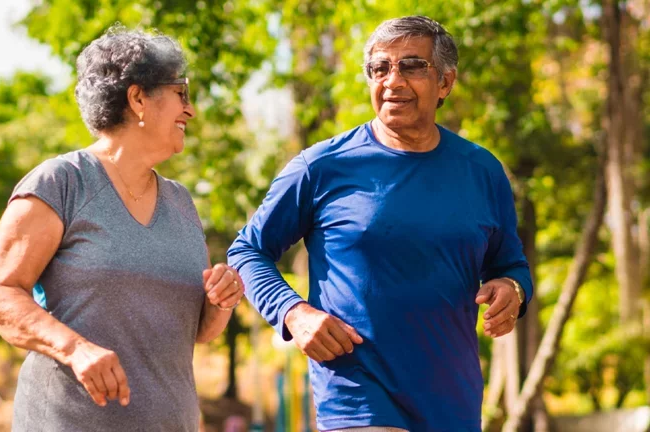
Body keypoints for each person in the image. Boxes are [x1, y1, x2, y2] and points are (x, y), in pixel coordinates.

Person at [228, 16, 532, 432]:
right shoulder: (321, 167)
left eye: (411, 66)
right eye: (380, 68)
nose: (393, 81)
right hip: (356, 393)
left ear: (445, 83)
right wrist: (293, 313)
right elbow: (247, 249)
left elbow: (509, 264)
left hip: (452, 400)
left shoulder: (482, 171)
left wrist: (512, 289)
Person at [0, 26, 244, 431]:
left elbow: (199, 332)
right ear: (138, 98)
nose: (190, 110)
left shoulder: (182, 203)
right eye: (181, 93)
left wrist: (221, 301)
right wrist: (75, 349)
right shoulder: (61, 182)